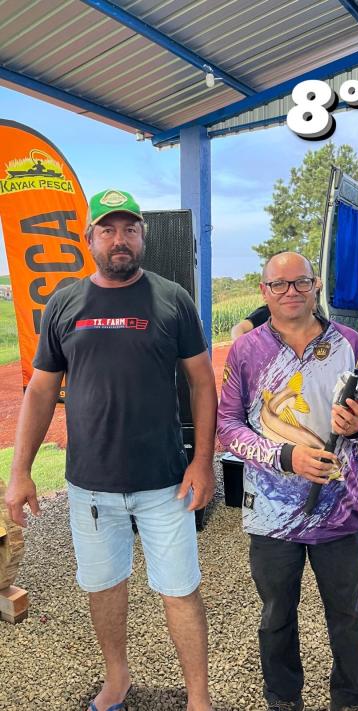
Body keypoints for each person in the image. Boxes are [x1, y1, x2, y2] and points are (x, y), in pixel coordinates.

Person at [6, 189, 217, 711]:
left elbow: (201, 383)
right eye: (108, 229)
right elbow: (39, 389)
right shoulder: (64, 303)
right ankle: (117, 679)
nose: (119, 240)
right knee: (103, 586)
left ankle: (198, 698)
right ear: (89, 239)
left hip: (166, 481)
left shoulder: (172, 299)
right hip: (90, 485)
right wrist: (21, 471)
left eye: (129, 229)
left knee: (181, 589)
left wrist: (202, 461)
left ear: (142, 236)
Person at [217, 251, 358, 711]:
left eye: (300, 282)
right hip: (272, 518)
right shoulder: (246, 352)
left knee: (348, 615)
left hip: (341, 511)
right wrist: (285, 456)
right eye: (279, 284)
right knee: (275, 617)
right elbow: (227, 426)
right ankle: (283, 698)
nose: (290, 291)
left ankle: (352, 699)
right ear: (263, 292)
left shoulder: (349, 342)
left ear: (314, 286)